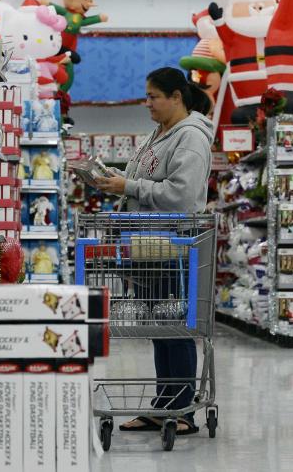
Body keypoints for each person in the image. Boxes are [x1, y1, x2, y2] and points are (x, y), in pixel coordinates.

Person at [93, 67, 215, 436]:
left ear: (176, 97)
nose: (147, 103)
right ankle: (164, 404)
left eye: (153, 97)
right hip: (147, 246)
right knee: (158, 326)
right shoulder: (159, 134)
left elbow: (182, 195)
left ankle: (181, 409)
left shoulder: (190, 137)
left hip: (172, 246)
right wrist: (110, 180)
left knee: (174, 326)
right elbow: (144, 178)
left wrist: (128, 185)